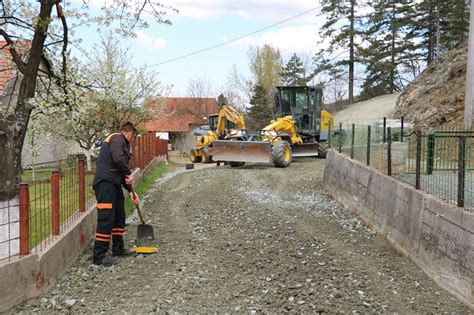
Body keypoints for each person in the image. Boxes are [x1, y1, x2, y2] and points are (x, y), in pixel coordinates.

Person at [92, 122, 140, 267]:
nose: (133, 139)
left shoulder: (121, 143)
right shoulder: (118, 139)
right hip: (105, 184)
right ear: (130, 132)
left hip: (114, 184)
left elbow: (121, 173)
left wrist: (133, 192)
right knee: (106, 218)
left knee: (119, 216)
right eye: (134, 136)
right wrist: (128, 173)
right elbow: (118, 160)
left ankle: (118, 249)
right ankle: (99, 256)